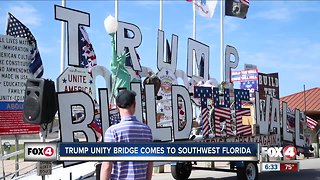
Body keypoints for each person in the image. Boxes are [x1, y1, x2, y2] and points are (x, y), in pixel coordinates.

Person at [100, 89, 153, 180]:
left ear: (117, 106)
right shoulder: (146, 130)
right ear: (134, 104)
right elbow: (150, 162)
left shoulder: (112, 132)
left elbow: (107, 165)